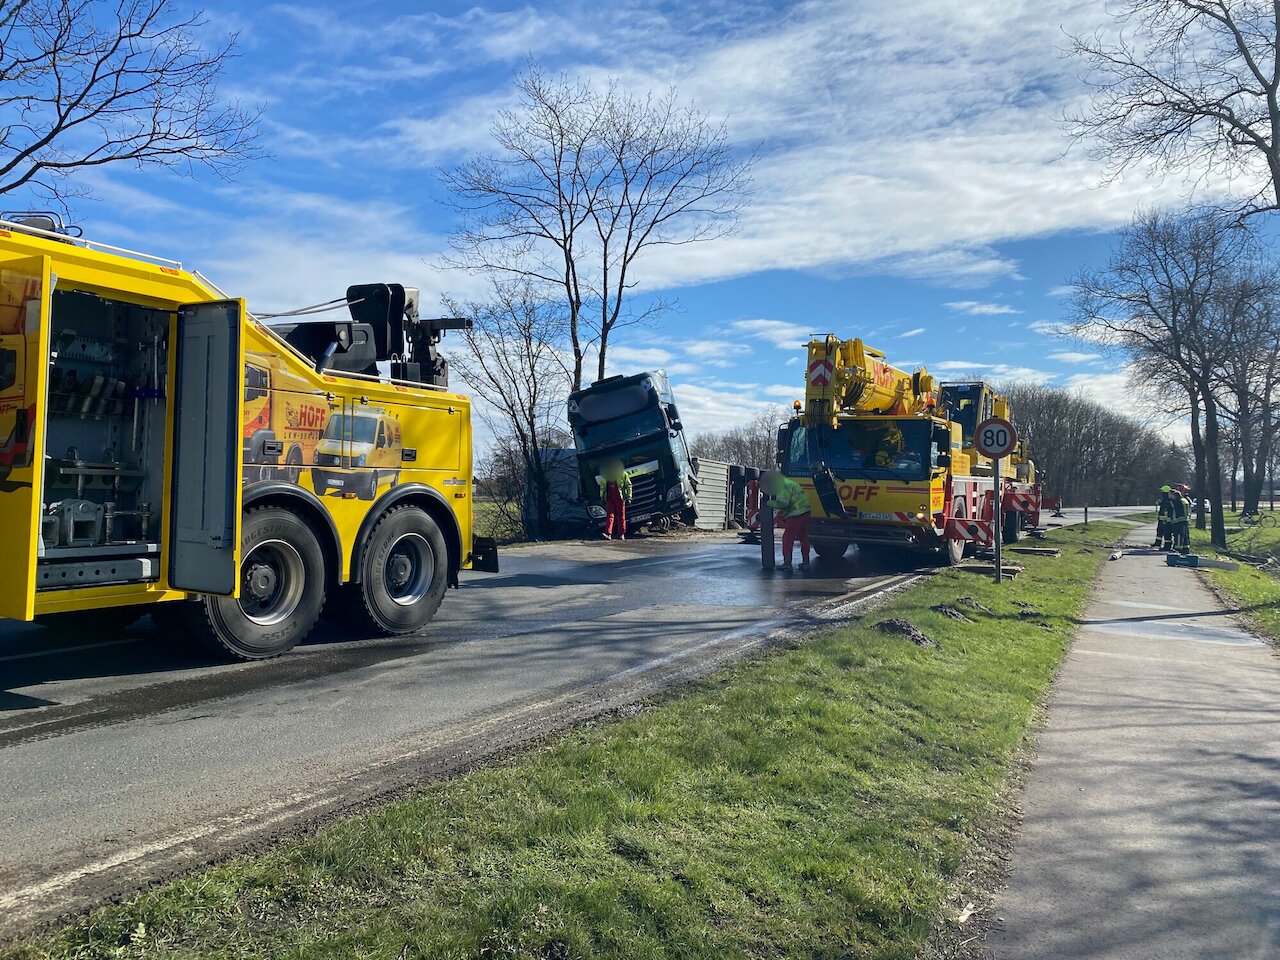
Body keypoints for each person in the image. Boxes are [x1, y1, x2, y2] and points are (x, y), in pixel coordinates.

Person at [763, 470, 812, 572]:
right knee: (803, 537)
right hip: (806, 511)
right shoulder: (790, 482)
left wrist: (769, 503)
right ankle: (806, 562)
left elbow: (783, 503)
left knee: (788, 538)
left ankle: (787, 563)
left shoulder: (782, 486)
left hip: (796, 513)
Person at [597, 459, 632, 541]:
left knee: (621, 515)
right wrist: (602, 497)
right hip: (610, 497)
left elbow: (628, 485)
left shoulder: (623, 474)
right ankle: (608, 533)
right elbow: (602, 486)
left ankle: (621, 533)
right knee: (609, 515)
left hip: (620, 497)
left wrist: (629, 497)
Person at [1171, 483, 1192, 555]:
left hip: (1179, 521)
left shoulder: (1178, 501)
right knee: (1185, 535)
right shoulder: (1185, 500)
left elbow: (1176, 511)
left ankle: (1178, 548)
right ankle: (1186, 549)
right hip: (1185, 520)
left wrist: (1173, 520)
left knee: (1179, 535)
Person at [1155, 484, 1174, 550]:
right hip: (1162, 520)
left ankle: (1167, 546)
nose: (1161, 493)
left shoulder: (1168, 501)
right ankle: (1158, 543)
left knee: (1167, 534)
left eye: (1162, 492)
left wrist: (1165, 520)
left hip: (1166, 521)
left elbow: (1166, 511)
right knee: (1159, 531)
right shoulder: (1165, 500)